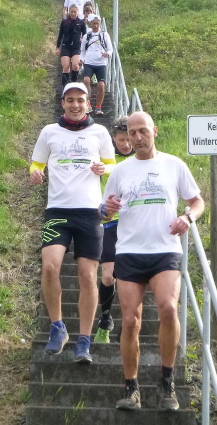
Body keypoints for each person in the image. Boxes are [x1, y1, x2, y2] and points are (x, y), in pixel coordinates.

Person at [99, 111, 205, 410]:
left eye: (143, 131)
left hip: (164, 250)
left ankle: (167, 382)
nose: (137, 138)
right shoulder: (120, 171)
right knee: (130, 320)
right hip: (129, 251)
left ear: (154, 131)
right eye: (132, 133)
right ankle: (131, 387)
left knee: (169, 309)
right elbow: (104, 211)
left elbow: (197, 201)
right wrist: (106, 209)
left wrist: (187, 218)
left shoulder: (174, 165)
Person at [30, 82, 116, 364]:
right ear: (63, 103)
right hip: (57, 210)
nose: (75, 105)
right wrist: (35, 173)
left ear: (88, 104)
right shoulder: (49, 132)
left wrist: (105, 168)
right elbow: (36, 164)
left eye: (80, 100)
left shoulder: (99, 132)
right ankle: (57, 327)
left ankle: (84, 340)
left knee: (88, 276)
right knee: (50, 266)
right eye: (70, 100)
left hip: (90, 213)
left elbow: (113, 166)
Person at [94, 117, 135, 344]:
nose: (126, 144)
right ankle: (106, 318)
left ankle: (129, 324)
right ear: (113, 139)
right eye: (121, 140)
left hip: (134, 224)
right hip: (110, 223)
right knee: (108, 275)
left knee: (131, 277)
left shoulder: (142, 159)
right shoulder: (106, 160)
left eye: (129, 139)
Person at [80, 14, 112, 115]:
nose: (96, 26)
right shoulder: (86, 36)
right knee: (86, 80)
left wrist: (107, 54)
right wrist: (82, 60)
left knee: (101, 85)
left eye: (98, 24)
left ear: (100, 24)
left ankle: (98, 107)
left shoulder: (104, 35)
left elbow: (110, 49)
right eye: (94, 23)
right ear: (90, 24)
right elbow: (82, 50)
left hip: (101, 63)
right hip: (89, 62)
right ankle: (87, 103)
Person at [56, 5, 86, 87]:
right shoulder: (64, 22)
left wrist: (84, 47)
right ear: (69, 12)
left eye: (74, 12)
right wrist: (58, 47)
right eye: (71, 12)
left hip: (76, 47)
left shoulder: (81, 23)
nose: (73, 13)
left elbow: (85, 36)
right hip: (66, 46)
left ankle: (74, 85)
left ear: (77, 12)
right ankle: (65, 87)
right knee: (66, 67)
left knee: (75, 66)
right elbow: (60, 35)